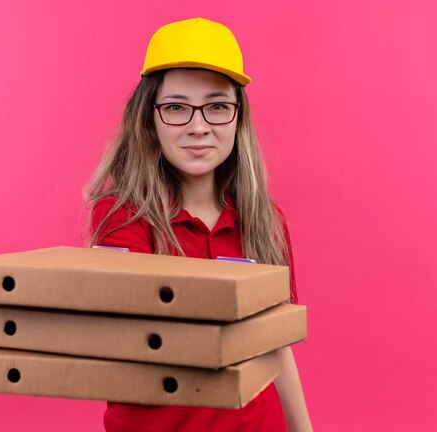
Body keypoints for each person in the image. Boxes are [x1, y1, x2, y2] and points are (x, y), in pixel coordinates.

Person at [85, 17, 313, 432]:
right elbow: (134, 340)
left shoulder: (265, 221)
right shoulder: (124, 216)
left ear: (238, 118)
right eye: (175, 107)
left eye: (217, 106)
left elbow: (276, 346)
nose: (198, 126)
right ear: (148, 120)